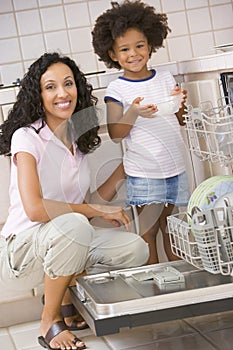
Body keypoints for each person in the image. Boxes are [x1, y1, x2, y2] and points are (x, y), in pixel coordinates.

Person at [0, 52, 149, 350]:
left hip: (64, 238)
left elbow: (84, 204)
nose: (62, 93)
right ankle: (50, 318)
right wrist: (93, 209)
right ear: (38, 95)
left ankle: (65, 293)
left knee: (134, 248)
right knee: (76, 225)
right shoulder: (26, 137)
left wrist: (124, 170)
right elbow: (35, 208)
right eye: (51, 87)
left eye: (68, 84)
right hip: (21, 251)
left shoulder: (76, 143)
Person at [92, 0, 190, 264]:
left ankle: (179, 284)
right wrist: (133, 112)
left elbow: (181, 120)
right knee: (148, 231)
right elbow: (116, 133)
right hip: (144, 172)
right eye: (124, 49)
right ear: (112, 54)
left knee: (174, 229)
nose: (133, 54)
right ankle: (157, 292)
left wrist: (181, 101)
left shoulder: (166, 78)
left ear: (150, 45)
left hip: (174, 169)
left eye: (139, 46)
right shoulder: (117, 89)